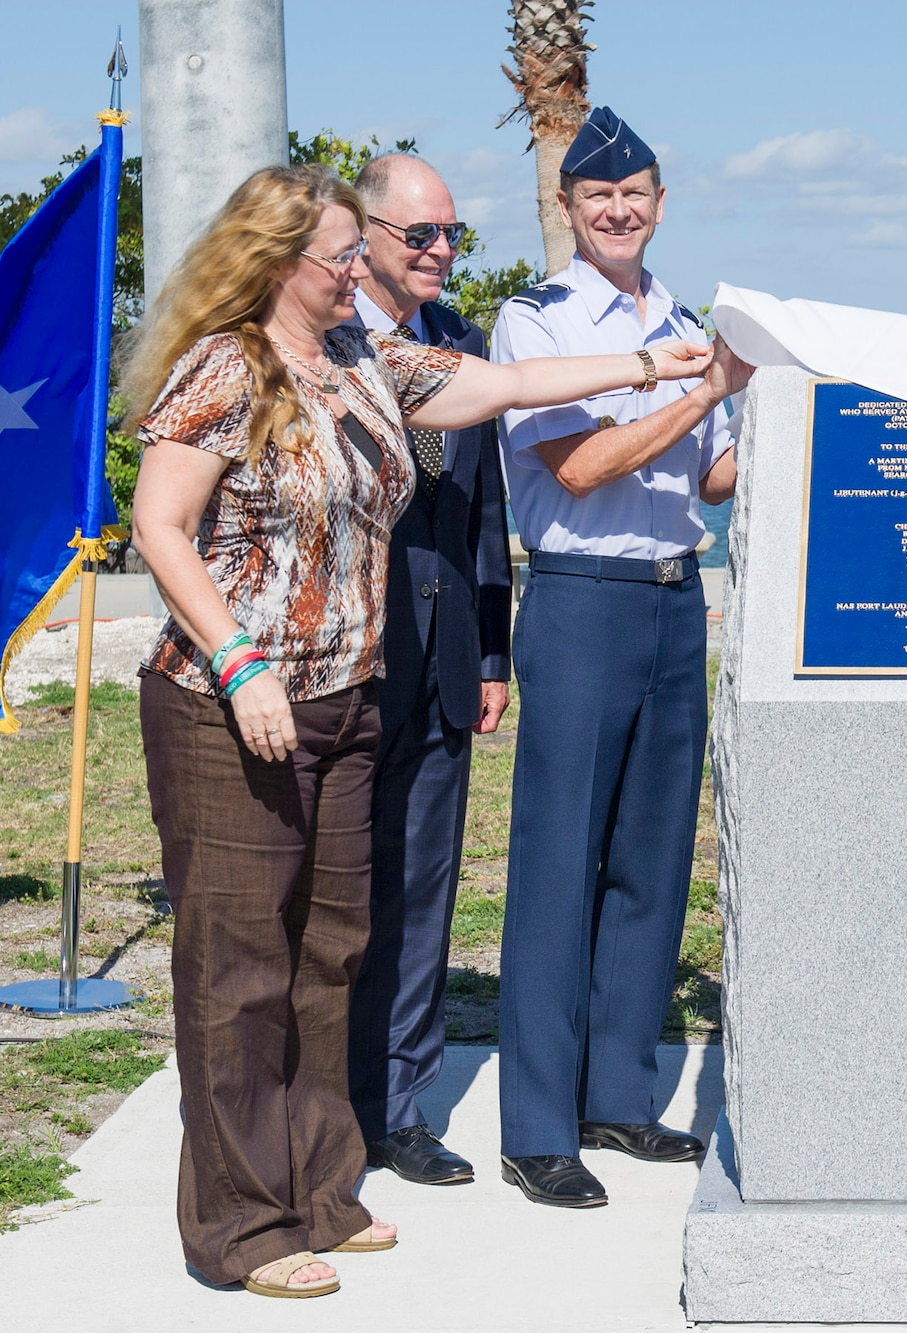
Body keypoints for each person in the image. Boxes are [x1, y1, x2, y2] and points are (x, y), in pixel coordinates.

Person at [126, 163, 713, 1296]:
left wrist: (653, 363)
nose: (363, 271)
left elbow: (500, 386)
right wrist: (238, 659)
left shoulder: (357, 358)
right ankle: (242, 1229)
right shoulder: (224, 364)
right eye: (344, 255)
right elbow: (162, 524)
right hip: (231, 703)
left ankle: (321, 1189)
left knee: (331, 951)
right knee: (240, 971)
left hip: (347, 695)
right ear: (280, 261)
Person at [492, 106, 750, 1209]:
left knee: (652, 862)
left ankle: (617, 1094)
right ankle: (539, 1123)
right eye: (598, 195)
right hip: (582, 600)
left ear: (658, 201)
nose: (618, 209)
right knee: (559, 864)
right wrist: (698, 388)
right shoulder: (536, 324)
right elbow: (586, 465)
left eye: (635, 192)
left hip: (673, 601)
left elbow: (716, 479)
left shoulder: (690, 317)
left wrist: (806, 398)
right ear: (566, 207)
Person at [343, 154, 511, 1187]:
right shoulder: (319, 339)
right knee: (339, 895)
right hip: (351, 661)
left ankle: (398, 1106)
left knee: (422, 893)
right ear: (361, 233)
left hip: (448, 660)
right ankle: (323, 1095)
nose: (441, 252)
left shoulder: (461, 343)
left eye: (452, 235)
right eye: (420, 236)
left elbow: (482, 512)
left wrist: (491, 648)